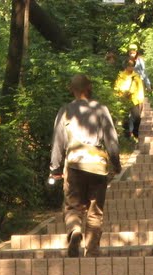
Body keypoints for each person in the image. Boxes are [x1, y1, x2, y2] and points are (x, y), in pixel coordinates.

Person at [49, 73, 122, 258]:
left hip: (74, 164)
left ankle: (74, 230)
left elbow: (57, 142)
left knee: (73, 206)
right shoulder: (101, 109)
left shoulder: (64, 111)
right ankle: (92, 251)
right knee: (94, 211)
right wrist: (116, 164)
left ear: (71, 90)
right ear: (89, 88)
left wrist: (55, 170)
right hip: (97, 166)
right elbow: (112, 141)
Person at [114, 57, 145, 141]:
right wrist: (120, 95)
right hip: (124, 99)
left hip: (134, 100)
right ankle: (127, 136)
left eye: (132, 65)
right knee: (125, 119)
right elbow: (116, 88)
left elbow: (140, 89)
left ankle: (136, 133)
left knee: (137, 117)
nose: (131, 67)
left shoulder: (136, 76)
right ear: (126, 66)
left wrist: (141, 100)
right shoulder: (120, 76)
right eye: (129, 65)